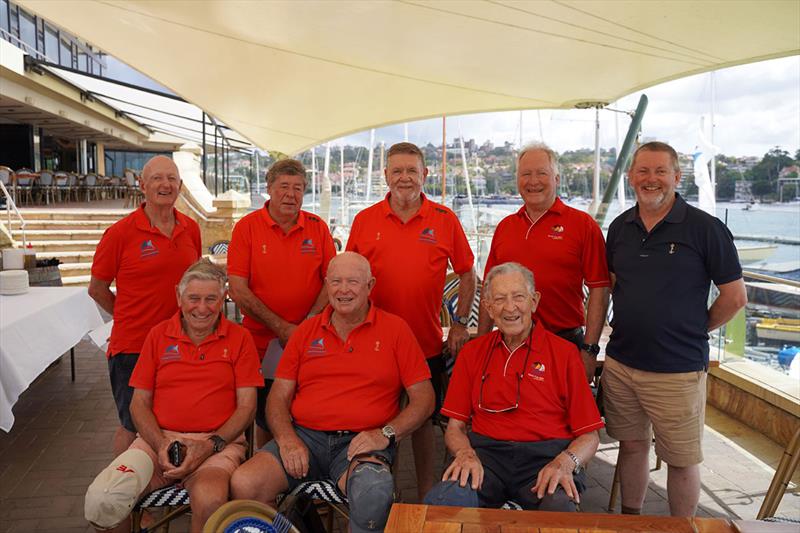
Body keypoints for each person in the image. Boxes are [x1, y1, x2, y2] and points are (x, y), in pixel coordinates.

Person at [231, 252, 434, 533]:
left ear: (370, 285)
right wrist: (287, 438)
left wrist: (385, 433)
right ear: (326, 285)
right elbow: (278, 396)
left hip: (361, 442)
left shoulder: (396, 330)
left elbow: (424, 399)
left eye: (353, 281)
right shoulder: (305, 332)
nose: (343, 290)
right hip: (304, 437)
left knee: (373, 491)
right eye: (336, 281)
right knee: (245, 483)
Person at [603, 141, 747, 517]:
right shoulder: (620, 228)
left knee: (681, 460)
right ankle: (631, 521)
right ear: (632, 177)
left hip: (677, 370)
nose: (651, 179)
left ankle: (682, 528)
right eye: (643, 171)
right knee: (631, 446)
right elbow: (615, 282)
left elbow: (734, 297)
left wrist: (697, 330)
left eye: (660, 171)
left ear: (676, 177)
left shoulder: (705, 229)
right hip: (621, 363)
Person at [84, 260, 262, 533]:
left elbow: (247, 406)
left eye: (211, 299)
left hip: (216, 446)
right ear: (179, 297)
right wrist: (161, 443)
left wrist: (210, 445)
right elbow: (138, 404)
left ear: (223, 298)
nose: (202, 308)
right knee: (105, 499)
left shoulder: (239, 338)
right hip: (157, 441)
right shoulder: (158, 335)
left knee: (211, 501)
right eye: (194, 298)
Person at [346, 141, 476, 498]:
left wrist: (461, 322)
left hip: (424, 341)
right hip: (373, 342)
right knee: (379, 421)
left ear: (425, 174)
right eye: (397, 171)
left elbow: (468, 274)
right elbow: (347, 277)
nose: (404, 178)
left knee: (421, 423)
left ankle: (423, 497)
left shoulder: (445, 219)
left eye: (411, 171)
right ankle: (381, 495)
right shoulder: (364, 220)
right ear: (386, 176)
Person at [424, 262, 603, 511]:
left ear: (534, 301)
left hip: (546, 458)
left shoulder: (564, 354)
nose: (510, 308)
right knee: (443, 503)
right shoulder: (472, 353)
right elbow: (455, 427)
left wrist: (565, 462)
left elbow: (589, 435)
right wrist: (465, 453)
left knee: (560, 510)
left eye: (518, 297)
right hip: (486, 459)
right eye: (499, 299)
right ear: (488, 307)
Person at [89, 155, 202, 456]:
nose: (165, 184)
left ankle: (163, 483)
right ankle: (122, 494)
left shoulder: (190, 228)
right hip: (133, 347)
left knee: (170, 420)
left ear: (180, 186)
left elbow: (193, 280)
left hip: (180, 344)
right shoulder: (120, 233)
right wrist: (127, 316)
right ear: (142, 185)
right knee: (132, 423)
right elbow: (97, 288)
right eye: (157, 178)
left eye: (172, 178)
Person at [477, 143, 610, 381]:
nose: (533, 181)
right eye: (526, 174)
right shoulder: (505, 227)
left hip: (565, 341)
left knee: (562, 415)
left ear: (557, 178)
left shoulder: (583, 226)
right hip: (510, 341)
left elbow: (600, 288)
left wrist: (590, 350)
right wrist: (482, 343)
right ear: (517, 180)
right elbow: (489, 290)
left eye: (541, 173)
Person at [227, 158, 336, 448]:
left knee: (306, 406)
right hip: (260, 342)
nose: (291, 194)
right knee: (264, 413)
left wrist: (307, 323)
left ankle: (303, 468)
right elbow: (238, 288)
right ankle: (266, 476)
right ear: (269, 189)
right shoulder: (247, 228)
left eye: (298, 188)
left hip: (311, 337)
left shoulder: (318, 227)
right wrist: (281, 327)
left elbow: (331, 280)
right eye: (284, 187)